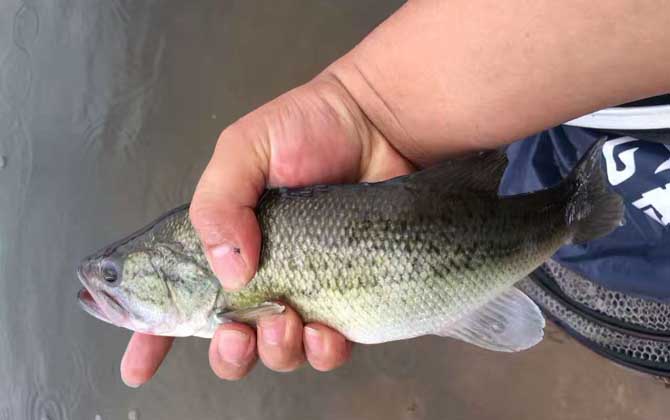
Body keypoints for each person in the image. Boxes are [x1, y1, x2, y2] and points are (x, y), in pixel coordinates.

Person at [118, 0, 670, 386]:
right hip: (580, 160)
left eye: (118, 275)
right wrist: (367, 109)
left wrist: (369, 107)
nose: (111, 282)